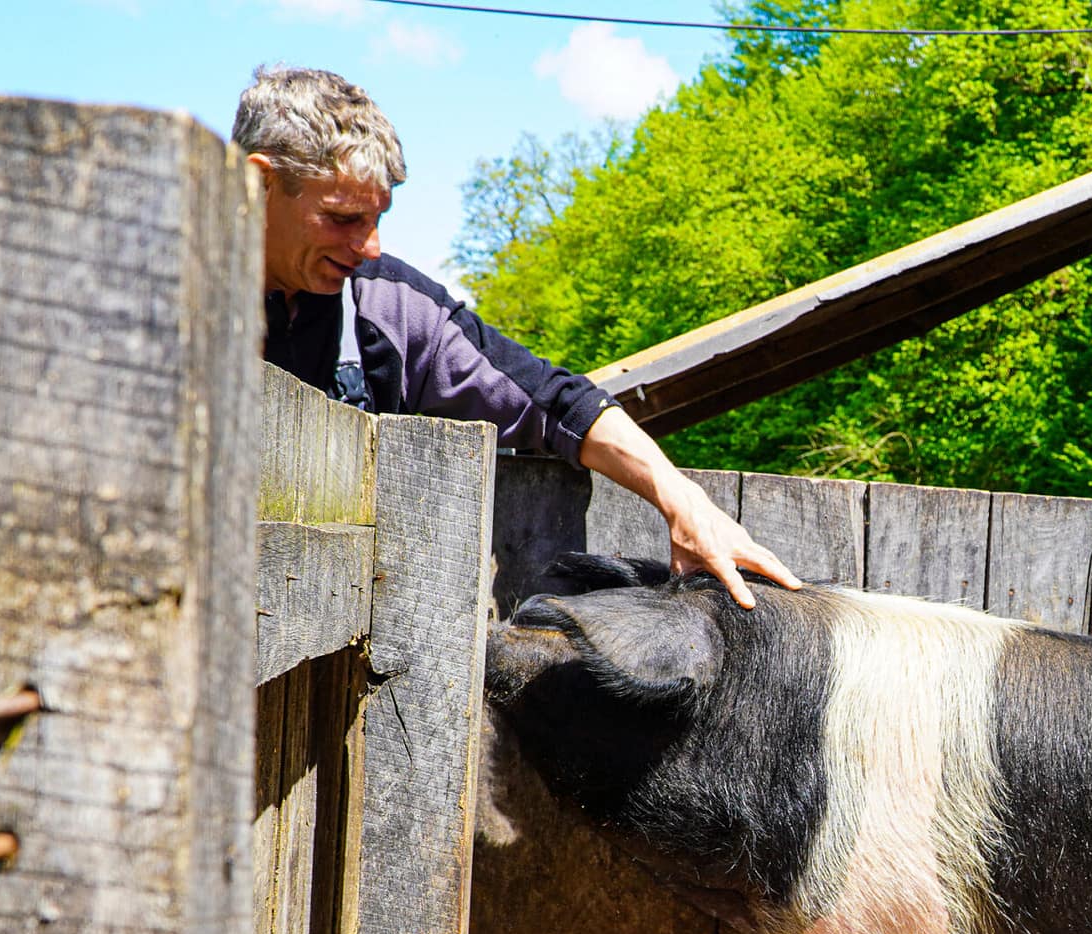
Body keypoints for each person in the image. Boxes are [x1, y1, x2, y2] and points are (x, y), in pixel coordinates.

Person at [234, 65, 799, 608]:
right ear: (260, 182)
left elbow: (554, 402)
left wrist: (687, 506)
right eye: (343, 218)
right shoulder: (158, 297)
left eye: (378, 217)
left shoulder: (393, 305)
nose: (372, 246)